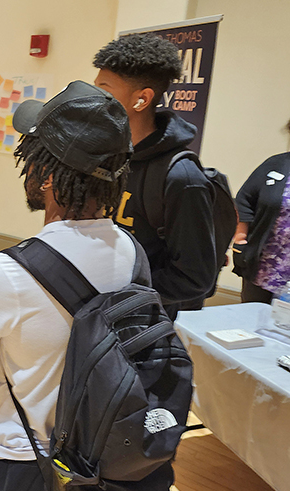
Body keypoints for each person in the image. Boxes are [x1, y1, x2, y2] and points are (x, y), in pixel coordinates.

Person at [0, 81, 172, 491]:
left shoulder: (4, 272)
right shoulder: (133, 253)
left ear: (46, 176)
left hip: (23, 461)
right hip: (103, 460)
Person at [93, 33, 217, 320]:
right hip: (98, 312)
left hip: (145, 325)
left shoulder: (182, 178)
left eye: (104, 89)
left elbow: (194, 278)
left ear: (141, 99)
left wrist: (122, 294)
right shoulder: (107, 156)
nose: (94, 99)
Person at [233, 121, 290, 303]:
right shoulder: (277, 164)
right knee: (251, 324)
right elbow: (244, 200)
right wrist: (240, 240)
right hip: (265, 269)